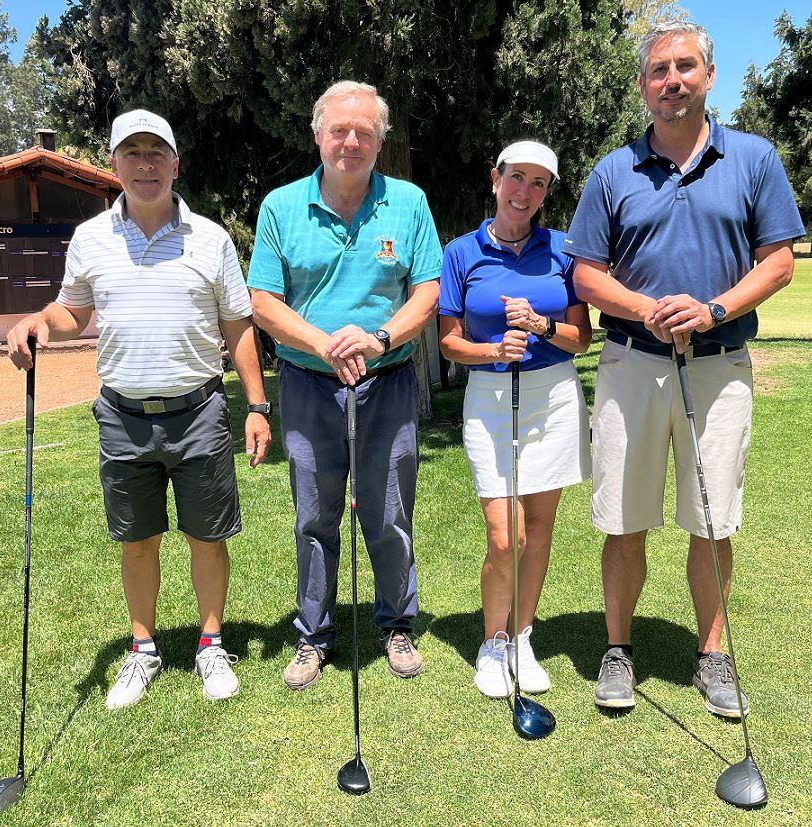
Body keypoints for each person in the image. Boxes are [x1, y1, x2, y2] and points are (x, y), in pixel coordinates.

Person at [565, 22, 804, 717]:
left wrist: (710, 308)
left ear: (707, 75)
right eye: (658, 70)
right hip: (631, 364)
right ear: (642, 85)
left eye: (684, 67)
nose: (671, 79)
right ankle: (616, 649)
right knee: (622, 518)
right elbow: (585, 274)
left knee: (712, 518)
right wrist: (648, 309)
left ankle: (712, 654)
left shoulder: (753, 159)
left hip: (718, 363)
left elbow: (778, 261)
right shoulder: (613, 170)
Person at [7, 109, 272, 708]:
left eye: (157, 153)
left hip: (200, 410)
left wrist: (257, 406)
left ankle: (210, 644)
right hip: (123, 414)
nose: (146, 164)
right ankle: (143, 650)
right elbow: (71, 311)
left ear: (176, 164)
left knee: (208, 536)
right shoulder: (92, 239)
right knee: (137, 540)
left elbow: (238, 326)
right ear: (115, 165)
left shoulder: (211, 238)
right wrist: (37, 321)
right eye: (133, 153)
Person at [247, 81, 442, 689]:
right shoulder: (280, 206)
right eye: (339, 130)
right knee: (314, 514)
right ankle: (314, 634)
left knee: (388, 512)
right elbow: (262, 301)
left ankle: (396, 623)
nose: (351, 141)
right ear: (318, 136)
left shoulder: (408, 203)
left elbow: (427, 292)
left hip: (385, 383)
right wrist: (323, 344)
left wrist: (379, 339)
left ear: (381, 139)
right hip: (309, 385)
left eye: (364, 131)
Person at [439, 141, 591, 698]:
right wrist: (492, 352)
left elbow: (581, 338)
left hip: (552, 395)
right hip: (489, 398)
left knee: (540, 529)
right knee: (505, 537)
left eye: (539, 184)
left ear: (546, 194)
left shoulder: (564, 250)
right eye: (517, 178)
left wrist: (542, 327)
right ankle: (493, 640)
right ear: (495, 178)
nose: (525, 192)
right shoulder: (461, 252)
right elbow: (450, 343)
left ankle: (523, 635)